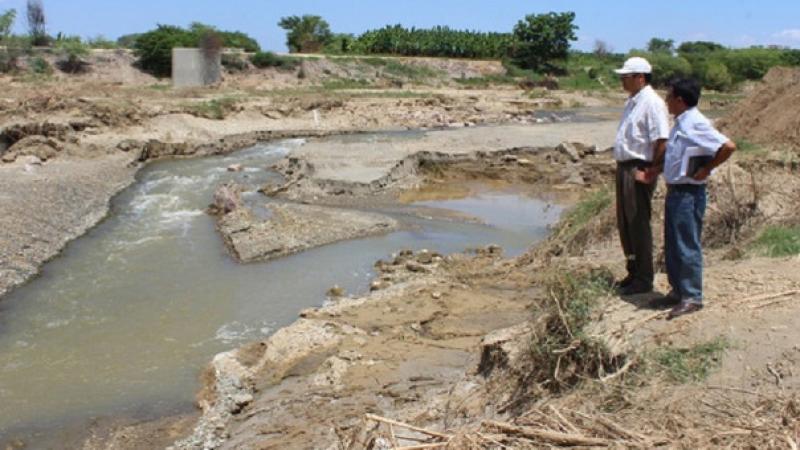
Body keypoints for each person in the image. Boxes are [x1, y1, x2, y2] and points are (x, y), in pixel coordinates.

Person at [637, 78, 736, 319]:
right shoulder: (682, 123)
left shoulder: (695, 123)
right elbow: (676, 156)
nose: (666, 101)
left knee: (686, 244)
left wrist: (707, 168)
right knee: (673, 243)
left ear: (680, 100)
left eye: (669, 96)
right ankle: (678, 291)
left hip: (689, 194)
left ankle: (692, 296)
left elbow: (728, 146)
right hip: (677, 191)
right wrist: (655, 171)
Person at [612, 57, 670, 295]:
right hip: (625, 167)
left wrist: (652, 169)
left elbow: (662, 140)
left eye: (626, 77)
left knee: (638, 222)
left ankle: (644, 278)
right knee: (625, 222)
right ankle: (633, 270)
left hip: (639, 166)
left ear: (640, 77)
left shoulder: (652, 103)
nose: (622, 81)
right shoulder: (633, 102)